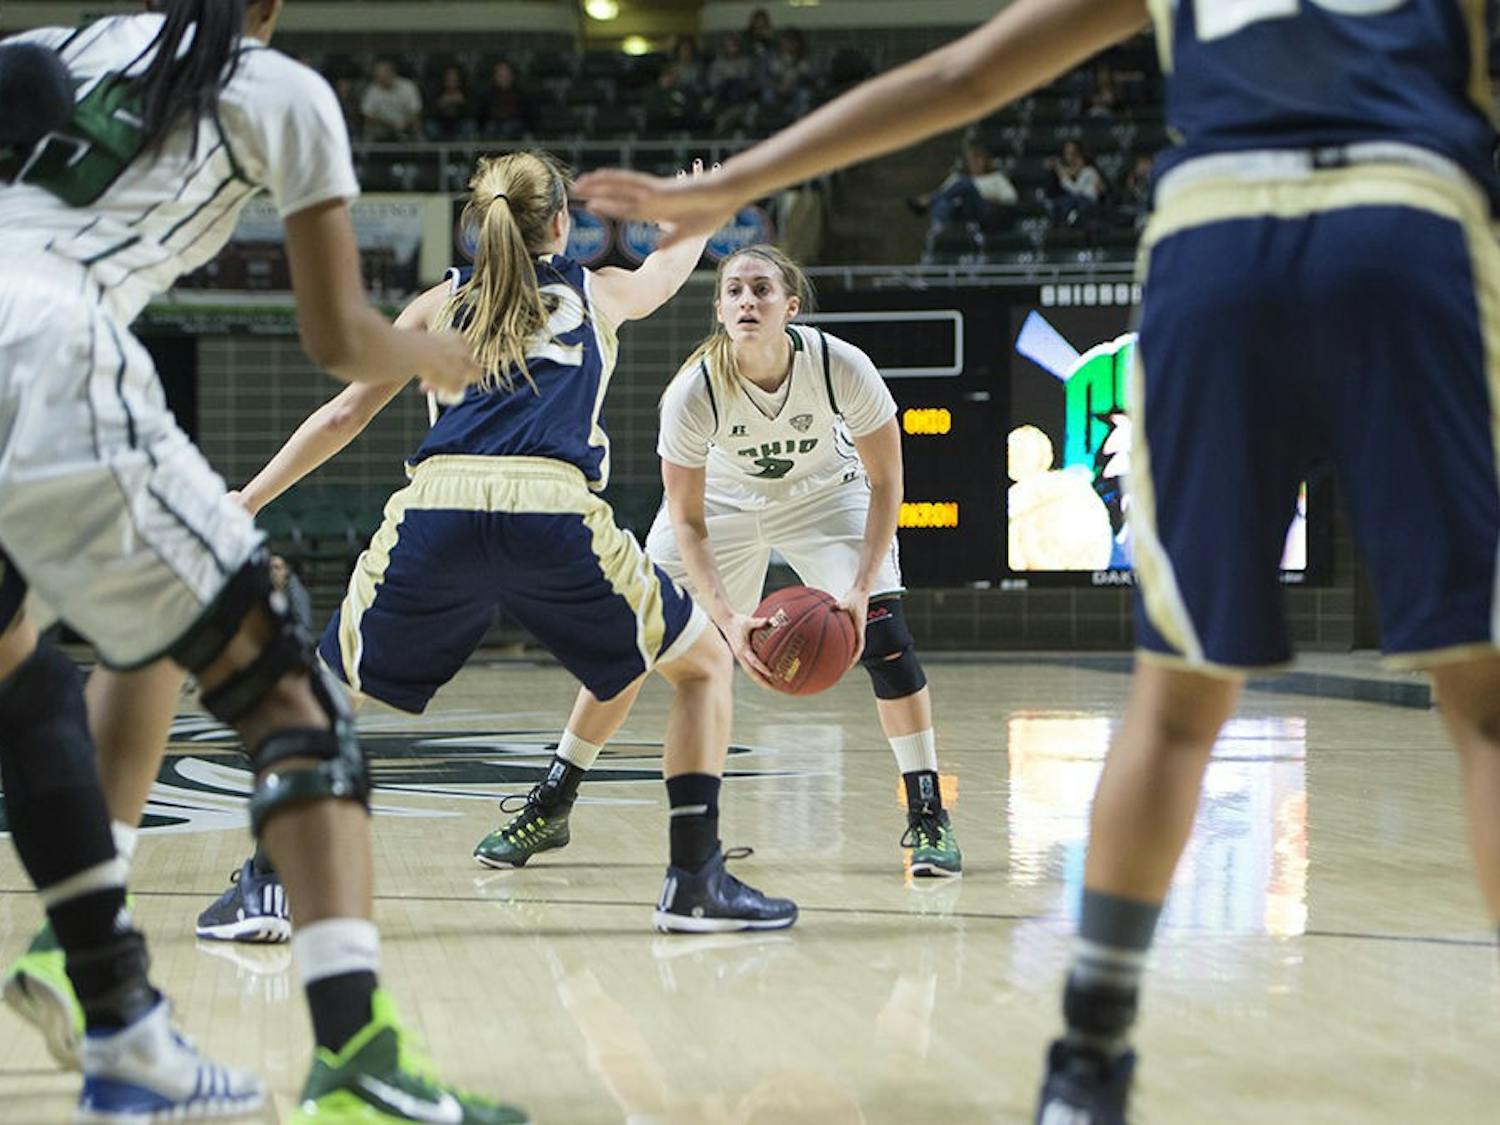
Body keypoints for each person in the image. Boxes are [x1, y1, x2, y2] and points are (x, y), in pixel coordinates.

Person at [574, 0, 1500, 1121]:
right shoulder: (701, 387)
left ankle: (1088, 1061)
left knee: (1174, 705)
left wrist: (729, 186)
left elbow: (961, 74)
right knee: (1485, 707)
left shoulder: (835, 366)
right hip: (1409, 219)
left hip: (1219, 237)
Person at [0, 2, 530, 1121]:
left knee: (32, 663)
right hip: (47, 347)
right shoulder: (277, 89)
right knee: (290, 688)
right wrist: (428, 350)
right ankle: (357, 1060)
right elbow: (339, 338)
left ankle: (99, 991)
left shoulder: (67, 40)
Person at [203, 152, 799, 937]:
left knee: (318, 695)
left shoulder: (438, 303)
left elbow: (344, 417)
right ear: (563, 226)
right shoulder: (597, 292)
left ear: (475, 226)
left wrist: (245, 498)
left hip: (437, 507)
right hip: (552, 508)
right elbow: (665, 267)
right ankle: (694, 879)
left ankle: (265, 885)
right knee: (703, 665)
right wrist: (705, 212)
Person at [475, 245, 962, 879]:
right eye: (733, 291)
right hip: (722, 507)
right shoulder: (692, 391)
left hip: (825, 495)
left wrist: (864, 588)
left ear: (790, 307)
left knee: (888, 641)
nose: (746, 301)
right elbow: (689, 518)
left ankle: (928, 813)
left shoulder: (841, 366)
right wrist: (728, 618)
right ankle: (553, 802)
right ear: (720, 309)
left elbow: (887, 481)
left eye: (761, 290)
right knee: (631, 642)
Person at [907, 139, 1019, 228]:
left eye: (978, 160)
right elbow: (945, 192)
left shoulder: (996, 178)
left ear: (985, 161)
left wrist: (987, 197)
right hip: (960, 209)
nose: (975, 163)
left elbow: (1011, 197)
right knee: (945, 202)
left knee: (965, 185)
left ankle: (926, 203)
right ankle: (939, 221)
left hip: (983, 210)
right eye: (972, 160)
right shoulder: (958, 177)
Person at [1045, 139, 1106, 226]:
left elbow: (1076, 189)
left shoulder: (1089, 171)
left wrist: (1063, 177)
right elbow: (1051, 193)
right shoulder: (1058, 172)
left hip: (1087, 203)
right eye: (1068, 154)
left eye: (1074, 154)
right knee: (1059, 204)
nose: (1072, 158)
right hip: (1071, 203)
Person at [360, 57, 422, 142]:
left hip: (406, 127)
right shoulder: (372, 89)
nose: (378, 78)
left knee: (417, 126)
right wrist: (390, 125)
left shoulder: (408, 86)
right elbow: (368, 115)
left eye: (382, 75)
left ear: (392, 73)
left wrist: (404, 125)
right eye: (377, 76)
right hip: (381, 130)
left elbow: (415, 111)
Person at [478, 60, 532, 139]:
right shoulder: (488, 94)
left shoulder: (521, 93)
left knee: (508, 127)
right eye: (501, 75)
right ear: (495, 77)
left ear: (512, 76)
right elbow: (482, 114)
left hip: (515, 123)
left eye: (507, 75)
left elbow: (527, 114)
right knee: (491, 127)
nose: (504, 78)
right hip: (493, 123)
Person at [428, 63, 476, 140]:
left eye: (454, 80)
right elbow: (429, 113)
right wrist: (441, 104)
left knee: (469, 125)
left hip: (460, 121)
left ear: (459, 80)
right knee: (431, 127)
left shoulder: (466, 91)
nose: (451, 83)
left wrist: (462, 102)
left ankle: (465, 151)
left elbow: (474, 113)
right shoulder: (437, 91)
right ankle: (437, 151)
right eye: (448, 79)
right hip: (441, 122)